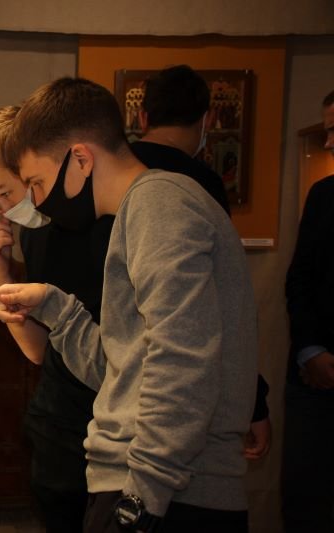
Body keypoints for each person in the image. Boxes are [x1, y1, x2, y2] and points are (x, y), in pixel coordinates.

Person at [0, 77, 258, 533]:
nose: (37, 201)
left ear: (81, 159)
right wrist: (55, 308)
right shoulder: (138, 210)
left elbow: (182, 359)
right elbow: (124, 371)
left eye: (36, 183)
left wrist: (142, 496)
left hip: (164, 492)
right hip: (139, 482)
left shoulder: (159, 203)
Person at [0, 105, 113, 531]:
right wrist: (0, 268)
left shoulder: (102, 225)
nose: (4, 208)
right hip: (58, 424)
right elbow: (38, 350)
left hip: (102, 426)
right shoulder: (35, 233)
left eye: (6, 191)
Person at [132, 64, 271, 461]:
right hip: (183, 379)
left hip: (112, 372)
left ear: (142, 117)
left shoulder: (115, 172)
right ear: (207, 120)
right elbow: (222, 300)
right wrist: (253, 400)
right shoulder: (204, 184)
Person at [281, 89, 334, 533]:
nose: (329, 143)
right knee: (306, 502)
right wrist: (312, 351)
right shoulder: (324, 194)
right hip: (316, 378)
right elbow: (299, 278)